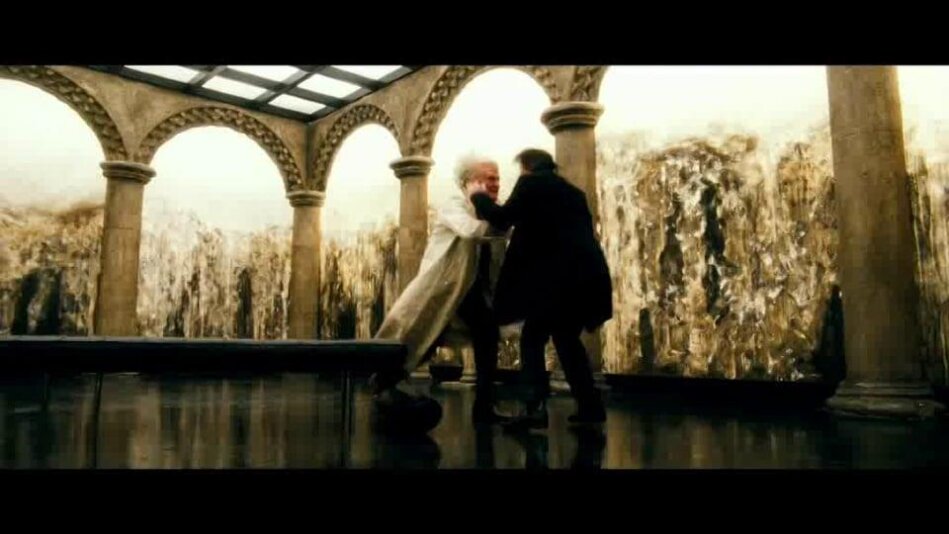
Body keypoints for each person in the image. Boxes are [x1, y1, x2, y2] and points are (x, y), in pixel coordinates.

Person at [469, 148, 612, 429]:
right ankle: (590, 406)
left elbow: (502, 218)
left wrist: (478, 197)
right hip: (585, 279)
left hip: (553, 284)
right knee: (567, 341)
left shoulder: (531, 184)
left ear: (527, 166)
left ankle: (534, 409)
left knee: (532, 339)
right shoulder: (574, 193)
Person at [371, 155, 511, 429]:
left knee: (486, 337)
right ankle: (382, 383)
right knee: (420, 340)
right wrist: (495, 215)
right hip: (440, 290)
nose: (497, 183)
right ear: (470, 182)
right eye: (489, 178)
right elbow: (472, 231)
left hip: (467, 291)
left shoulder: (489, 209)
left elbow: (502, 233)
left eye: (498, 178)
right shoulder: (454, 205)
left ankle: (484, 407)